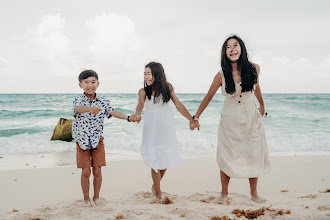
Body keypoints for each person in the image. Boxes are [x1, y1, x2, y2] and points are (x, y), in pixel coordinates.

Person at [191, 35, 271, 204]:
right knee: (227, 154)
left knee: (254, 152)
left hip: (250, 114)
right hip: (230, 116)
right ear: (224, 52)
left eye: (235, 45)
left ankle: (254, 193)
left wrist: (262, 105)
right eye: (228, 47)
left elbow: (257, 88)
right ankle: (224, 194)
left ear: (242, 48)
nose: (232, 49)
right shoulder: (221, 75)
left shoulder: (254, 68)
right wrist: (196, 117)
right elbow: (208, 96)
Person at [72, 70, 137, 206]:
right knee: (86, 171)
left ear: (98, 83)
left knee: (97, 170)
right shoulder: (78, 100)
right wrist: (89, 108)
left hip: (97, 140)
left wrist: (128, 118)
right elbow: (77, 109)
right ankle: (86, 199)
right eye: (86, 82)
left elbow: (113, 112)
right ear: (80, 85)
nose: (90, 85)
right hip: (82, 140)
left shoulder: (103, 101)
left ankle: (96, 197)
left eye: (93, 82)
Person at [131, 61, 194, 200]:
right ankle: (158, 194)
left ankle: (155, 185)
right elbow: (140, 105)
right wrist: (137, 114)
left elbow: (178, 104)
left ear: (157, 74)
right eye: (144, 74)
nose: (146, 77)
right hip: (151, 127)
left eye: (149, 74)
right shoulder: (143, 91)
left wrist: (191, 118)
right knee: (154, 160)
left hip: (166, 125)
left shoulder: (167, 87)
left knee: (165, 156)